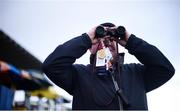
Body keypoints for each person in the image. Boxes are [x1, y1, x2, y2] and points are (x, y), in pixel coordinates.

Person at [42, 23, 175, 110]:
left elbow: (165, 69)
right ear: (89, 48)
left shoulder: (137, 73)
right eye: (100, 39)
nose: (106, 42)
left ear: (119, 45)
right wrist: (86, 39)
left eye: (112, 39)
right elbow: (51, 66)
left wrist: (131, 41)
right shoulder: (78, 75)